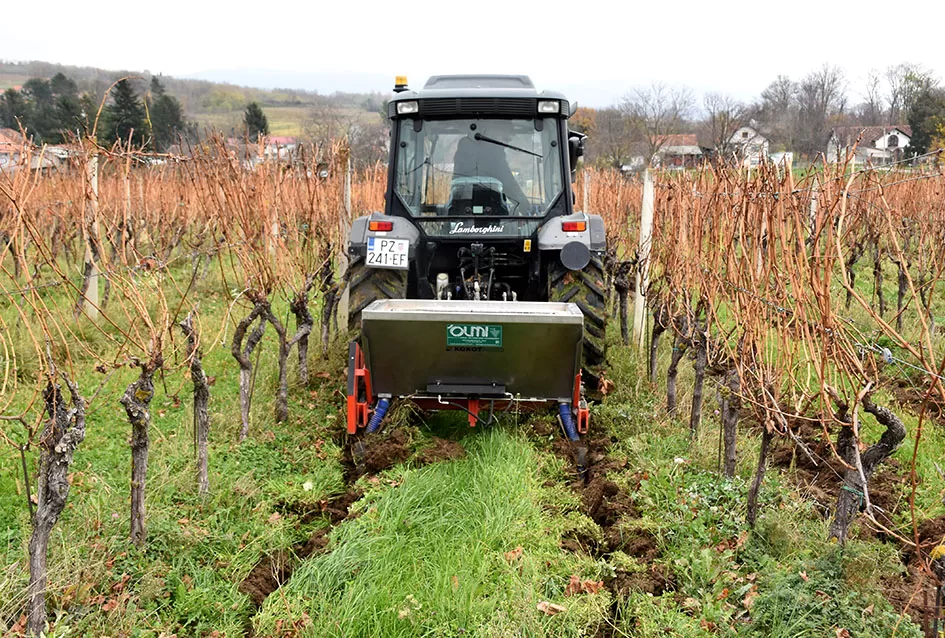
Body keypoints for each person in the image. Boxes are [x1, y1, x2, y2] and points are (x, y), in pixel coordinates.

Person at [452, 132, 530, 213]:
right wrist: (526, 207)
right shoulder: (494, 153)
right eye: (506, 138)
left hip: (460, 207)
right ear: (494, 135)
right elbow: (509, 184)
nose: (506, 144)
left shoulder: (465, 147)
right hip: (489, 209)